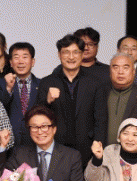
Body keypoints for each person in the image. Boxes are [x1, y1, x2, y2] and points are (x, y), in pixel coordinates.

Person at [37, 34, 105, 165]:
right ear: (59, 55)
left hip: (87, 148)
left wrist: (98, 144)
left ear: (82, 55)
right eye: (66, 52)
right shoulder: (47, 82)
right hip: (55, 147)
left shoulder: (95, 83)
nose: (71, 57)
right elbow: (38, 117)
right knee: (55, 179)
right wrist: (47, 101)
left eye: (76, 52)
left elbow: (101, 119)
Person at [95, 53, 137, 158]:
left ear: (133, 72)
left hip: (136, 159)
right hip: (105, 156)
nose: (120, 72)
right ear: (110, 71)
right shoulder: (100, 92)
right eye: (115, 67)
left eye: (126, 67)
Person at [0, 42, 40, 148]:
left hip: (35, 142)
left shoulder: (42, 84)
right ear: (11, 62)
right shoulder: (1, 83)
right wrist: (8, 89)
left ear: (32, 62)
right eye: (16, 57)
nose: (20, 62)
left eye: (25, 57)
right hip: (9, 142)